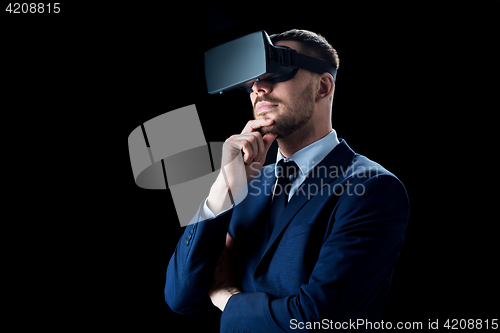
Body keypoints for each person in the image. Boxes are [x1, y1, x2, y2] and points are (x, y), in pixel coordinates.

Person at [165, 29, 409, 332]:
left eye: (276, 73)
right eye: (253, 80)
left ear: (323, 86)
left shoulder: (372, 188)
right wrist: (223, 189)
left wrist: (229, 301)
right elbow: (181, 297)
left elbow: (318, 319)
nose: (259, 88)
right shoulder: (244, 185)